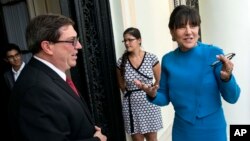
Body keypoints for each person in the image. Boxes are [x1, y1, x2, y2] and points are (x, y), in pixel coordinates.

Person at [134, 5, 241, 141]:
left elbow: (233, 98)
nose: (189, 32)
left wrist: (227, 79)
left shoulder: (214, 53)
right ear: (172, 31)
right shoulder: (168, 60)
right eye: (182, 26)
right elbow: (164, 98)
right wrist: (153, 95)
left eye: (193, 26)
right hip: (182, 132)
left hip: (213, 130)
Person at [8, 14, 107, 141]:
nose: (79, 46)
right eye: (72, 41)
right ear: (47, 47)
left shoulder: (49, 76)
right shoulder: (36, 90)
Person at [116, 27, 163, 141]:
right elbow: (121, 85)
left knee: (152, 139)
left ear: (139, 40)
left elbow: (159, 80)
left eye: (130, 40)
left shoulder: (151, 58)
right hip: (132, 106)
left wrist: (152, 91)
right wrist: (132, 96)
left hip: (150, 104)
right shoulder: (121, 61)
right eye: (125, 40)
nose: (127, 43)